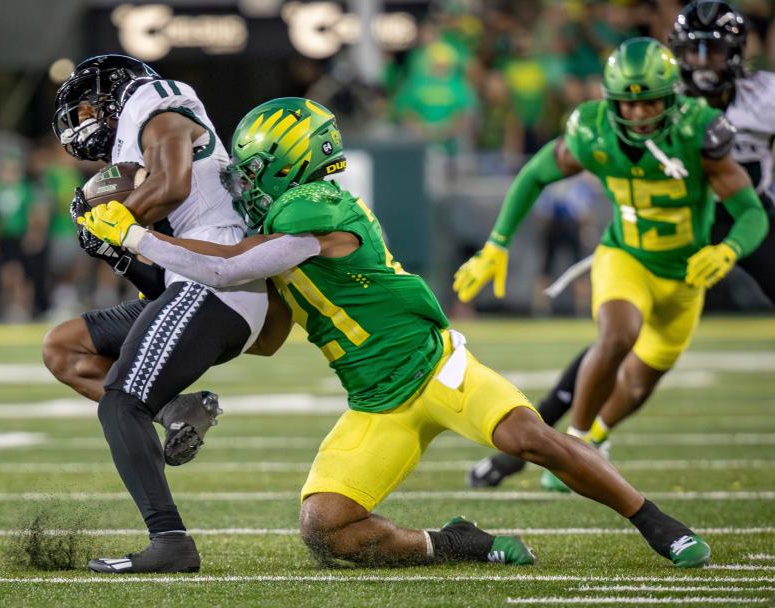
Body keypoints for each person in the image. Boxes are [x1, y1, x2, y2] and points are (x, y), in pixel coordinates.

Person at [79, 96, 712, 569]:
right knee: (325, 528)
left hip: (434, 369)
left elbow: (236, 263)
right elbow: (267, 332)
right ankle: (451, 543)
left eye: (252, 167)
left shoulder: (319, 209)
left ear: (290, 164)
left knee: (528, 436)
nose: (240, 178)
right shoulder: (275, 216)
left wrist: (138, 236)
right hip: (374, 399)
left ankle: (656, 521)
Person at [469, 4, 775, 489]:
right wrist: (497, 244)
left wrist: (730, 250)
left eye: (712, 47)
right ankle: (568, 443)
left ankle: (585, 437)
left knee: (640, 375)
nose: (637, 113)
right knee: (615, 336)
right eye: (691, 48)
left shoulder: (711, 121)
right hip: (633, 247)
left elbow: (750, 211)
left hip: (711, 238)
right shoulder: (598, 127)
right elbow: (536, 172)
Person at [44, 54, 274, 574]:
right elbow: (157, 281)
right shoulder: (142, 146)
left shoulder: (155, 100)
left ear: (112, 93)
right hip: (191, 282)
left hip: (218, 281)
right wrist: (117, 248)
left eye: (84, 107)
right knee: (65, 347)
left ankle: (170, 540)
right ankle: (177, 410)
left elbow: (172, 188)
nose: (81, 122)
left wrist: (116, 217)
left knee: (120, 405)